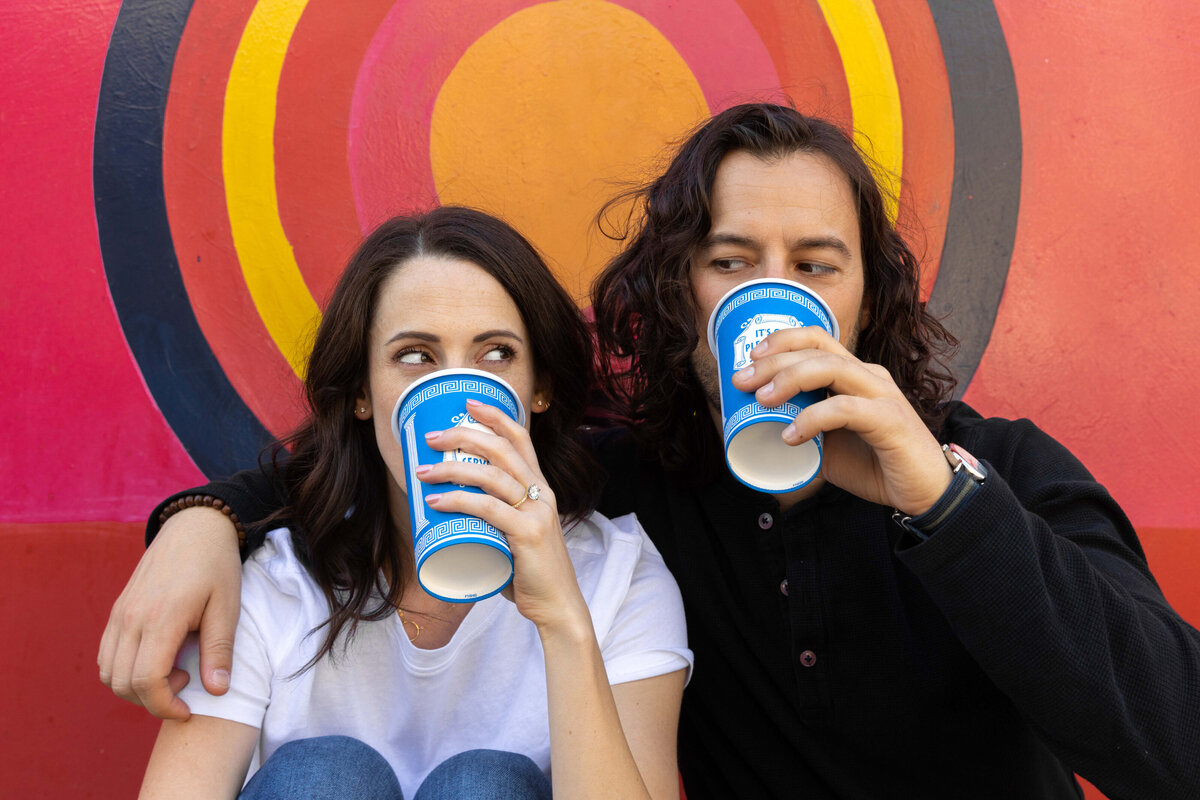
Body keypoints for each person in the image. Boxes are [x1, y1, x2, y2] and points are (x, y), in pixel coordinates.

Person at [102, 105, 1200, 799]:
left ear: (870, 296)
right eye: (733, 260)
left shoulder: (999, 469)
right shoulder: (643, 481)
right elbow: (392, 448)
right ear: (684, 292)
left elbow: (1173, 749)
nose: (778, 293)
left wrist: (940, 497)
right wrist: (203, 516)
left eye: (818, 263)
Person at [133, 206, 691, 799]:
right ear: (362, 395)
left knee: (488, 787)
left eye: (496, 353)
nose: (458, 391)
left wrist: (562, 621)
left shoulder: (619, 577)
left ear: (540, 388)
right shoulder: (274, 580)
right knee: (325, 777)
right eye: (416, 356)